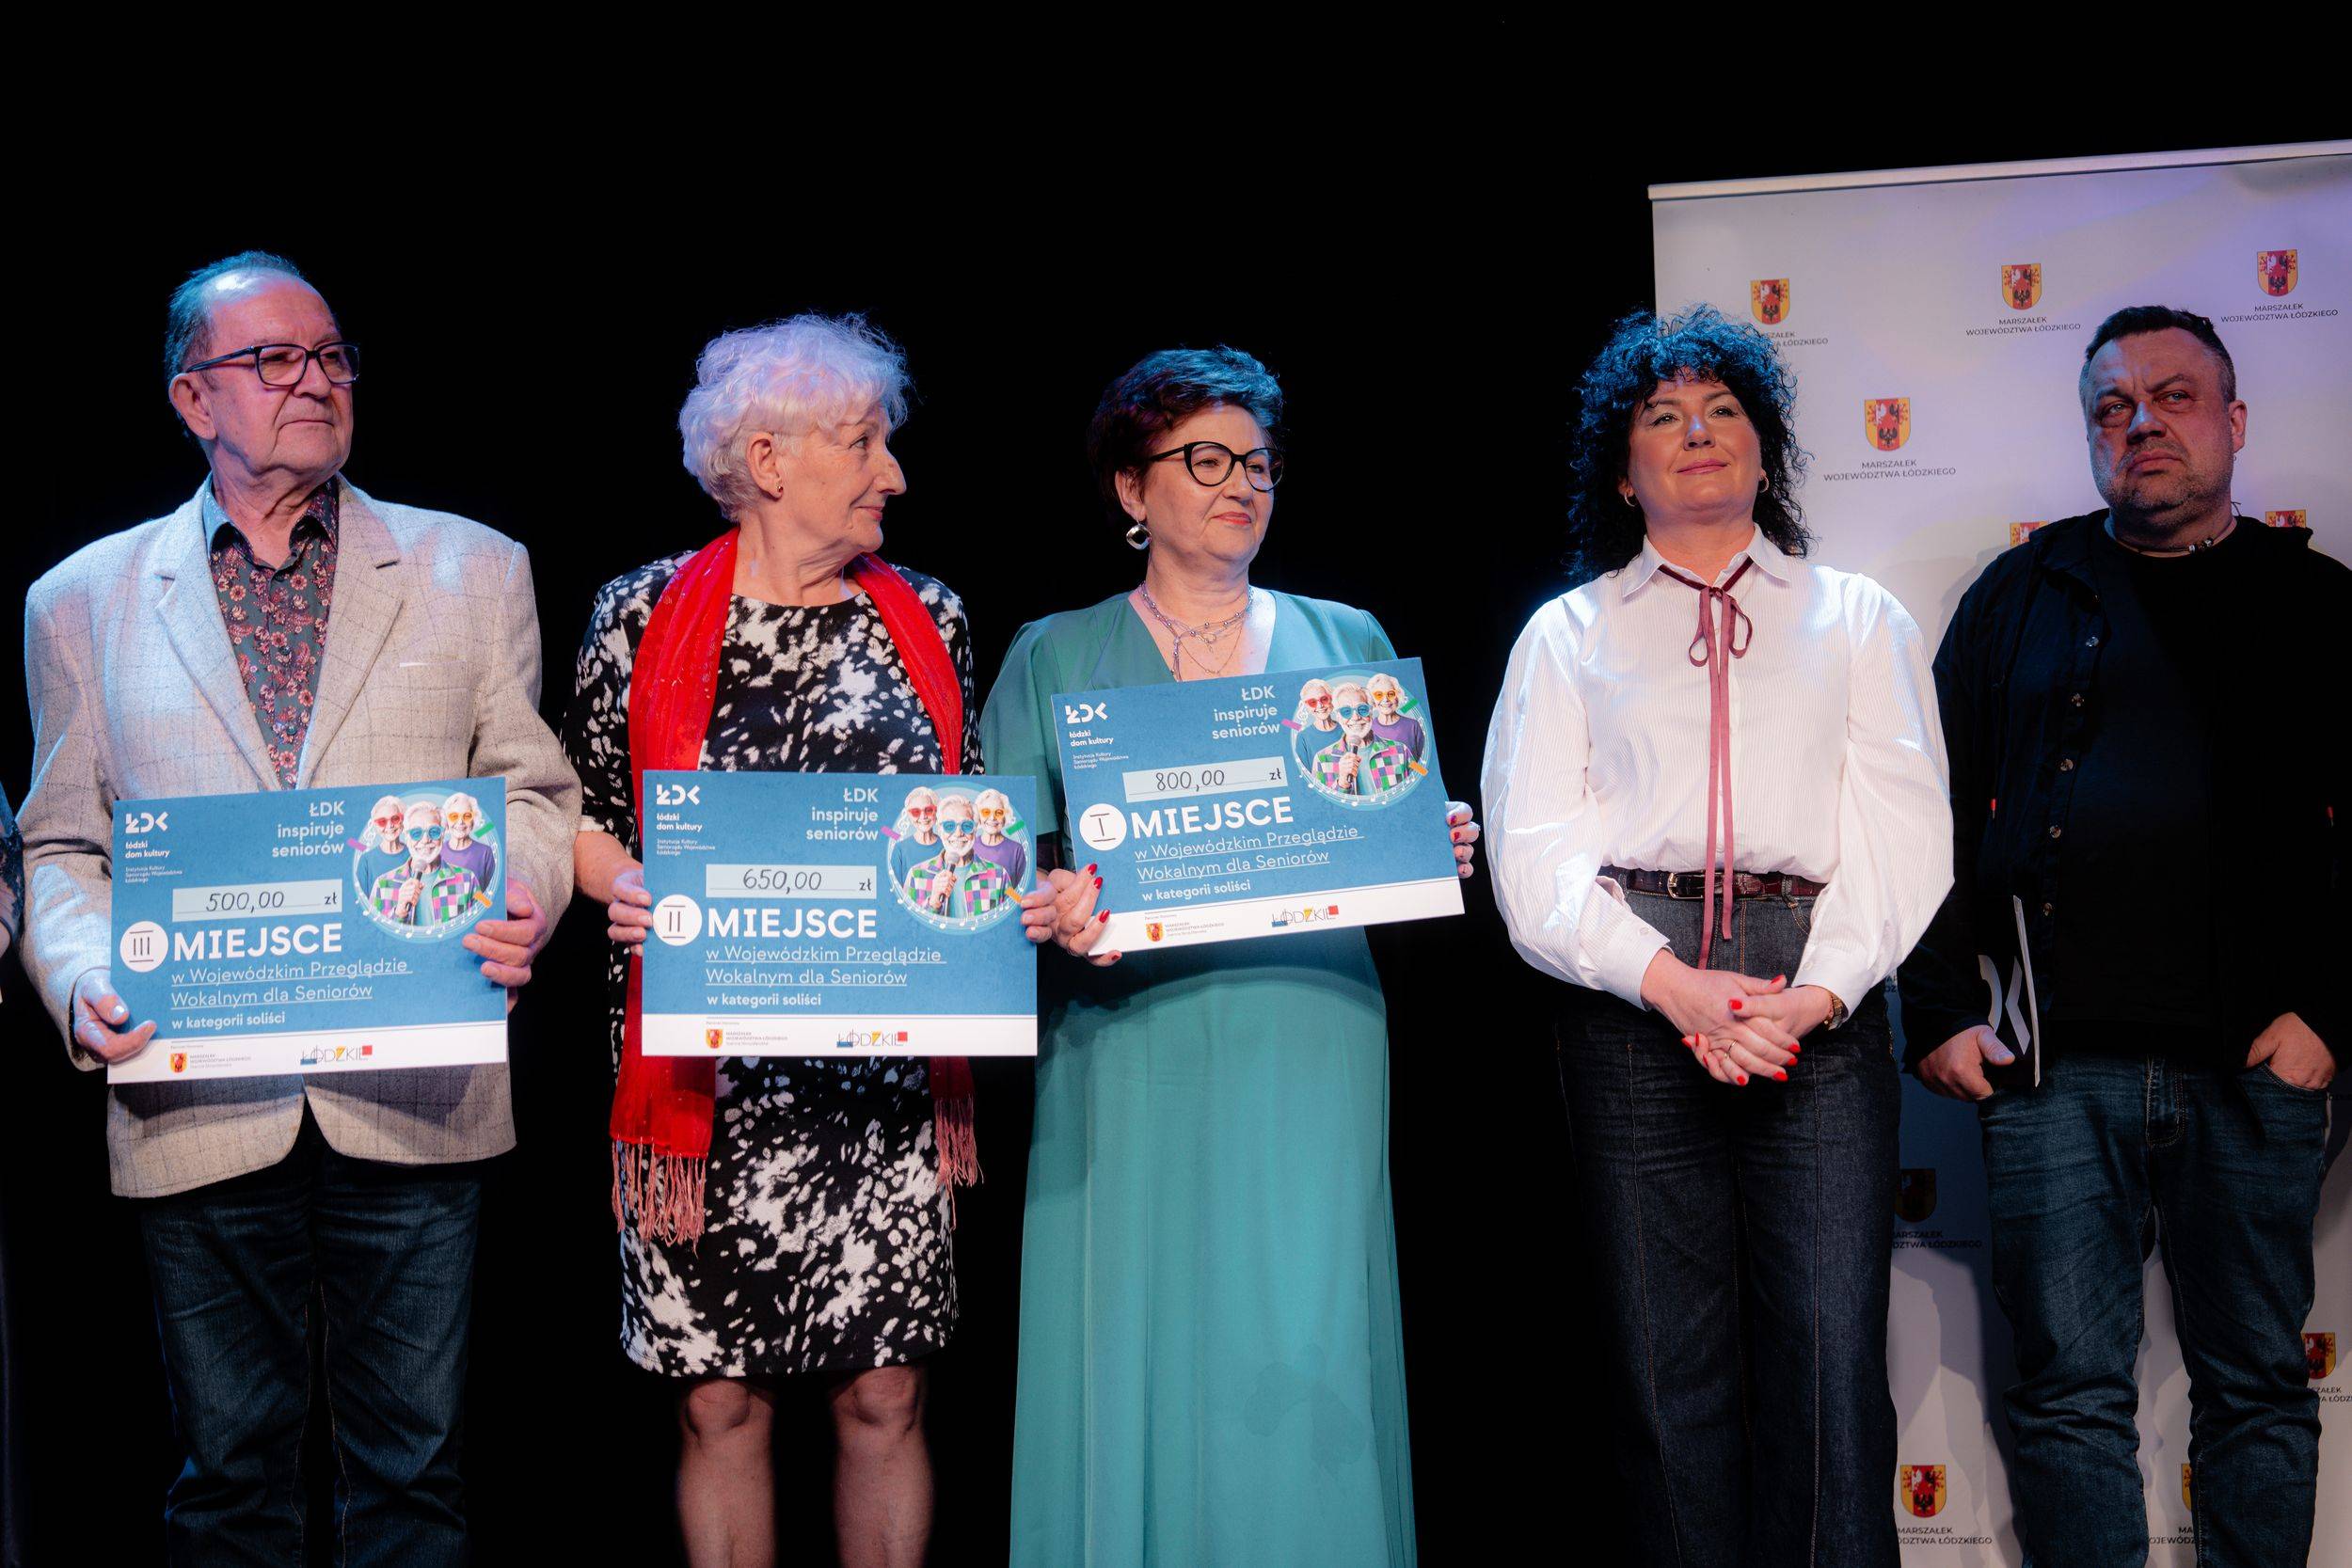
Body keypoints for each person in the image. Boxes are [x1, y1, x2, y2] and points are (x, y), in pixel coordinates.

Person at [15, 250, 578, 1566]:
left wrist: (524, 894)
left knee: (414, 1478)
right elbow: (61, 842)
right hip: (199, 1091)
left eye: (330, 356)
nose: (314, 380)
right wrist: (82, 978)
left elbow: (535, 794)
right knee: (228, 1484)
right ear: (191, 398)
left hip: (416, 1087)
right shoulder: (81, 598)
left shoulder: (473, 566)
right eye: (274, 359)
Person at [979, 344, 1479, 1566]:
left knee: (1299, 1316)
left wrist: (1437, 835)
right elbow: (992, 872)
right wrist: (1045, 898)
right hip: (1128, 1042)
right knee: (1135, 1314)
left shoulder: (1344, 638)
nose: (1241, 483)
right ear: (1130, 487)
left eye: (1258, 462)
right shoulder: (1055, 653)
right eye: (1205, 459)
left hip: (1305, 1030)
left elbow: (1390, 821)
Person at [1482, 305, 1951, 1566]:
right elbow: (1533, 858)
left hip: (1815, 989)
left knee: (1831, 1366)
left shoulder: (1858, 617)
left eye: (1723, 410)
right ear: (1621, 469)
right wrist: (1672, 985)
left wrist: (1817, 992)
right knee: (1661, 1370)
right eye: (1663, 416)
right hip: (1632, 996)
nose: (1697, 433)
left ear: (1765, 447)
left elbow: (1903, 829)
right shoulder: (1566, 634)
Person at [1899, 305, 2342, 1568]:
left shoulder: (2317, 603)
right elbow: (1925, 805)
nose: (2141, 422)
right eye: (2112, 405)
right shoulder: (2020, 593)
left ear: (2234, 420)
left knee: (2257, 1383)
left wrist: (2332, 1014)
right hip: (2050, 1067)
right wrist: (1936, 1008)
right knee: (2066, 1393)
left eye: (2173, 396)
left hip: (2254, 1060)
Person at [564, 313, 977, 1568]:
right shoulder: (639, 612)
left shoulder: (929, 616)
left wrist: (995, 891)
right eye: (863, 443)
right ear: (768, 458)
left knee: (886, 1391)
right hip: (705, 1081)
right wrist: (621, 880)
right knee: (719, 1401)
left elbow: (967, 822)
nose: (892, 472)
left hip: (881, 1081)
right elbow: (573, 808)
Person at [367, 800, 481, 927]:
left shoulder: (468, 880)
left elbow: (486, 913)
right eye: (416, 833)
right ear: (407, 837)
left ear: (443, 835)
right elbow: (371, 934)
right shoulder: (382, 885)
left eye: (434, 832)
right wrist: (399, 913)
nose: (425, 840)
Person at [906, 792, 1012, 918]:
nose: (958, 833)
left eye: (966, 826)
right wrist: (933, 903)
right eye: (949, 826)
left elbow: (1014, 912)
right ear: (939, 829)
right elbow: (906, 924)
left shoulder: (1000, 875)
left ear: (975, 829)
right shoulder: (916, 875)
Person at [1311, 679, 1412, 796]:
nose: (1355, 717)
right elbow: (1318, 804)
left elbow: (1423, 778)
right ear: (1338, 717)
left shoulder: (1401, 750)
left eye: (1362, 709)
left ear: (1371, 712)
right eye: (1346, 711)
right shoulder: (1322, 759)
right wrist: (1342, 784)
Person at [437, 790, 497, 889]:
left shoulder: (485, 853)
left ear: (474, 819)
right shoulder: (437, 852)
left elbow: (487, 891)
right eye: (454, 816)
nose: (460, 822)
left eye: (467, 816)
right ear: (446, 821)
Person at [970, 787, 1026, 887]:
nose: (992, 818)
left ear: (1005, 817)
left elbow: (1019, 889)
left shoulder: (1016, 850)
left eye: (999, 812)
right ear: (978, 816)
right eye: (986, 812)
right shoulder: (969, 847)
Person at [888, 784, 941, 890]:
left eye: (928, 810)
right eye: (916, 812)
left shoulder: (948, 847)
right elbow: (896, 891)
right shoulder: (900, 850)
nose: (923, 816)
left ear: (936, 812)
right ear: (909, 815)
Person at [1365, 673, 1424, 761]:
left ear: (1398, 697)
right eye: (1379, 695)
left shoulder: (1413, 726)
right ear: (1372, 700)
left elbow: (1419, 760)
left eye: (1391, 694)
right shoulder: (1367, 729)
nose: (1385, 699)